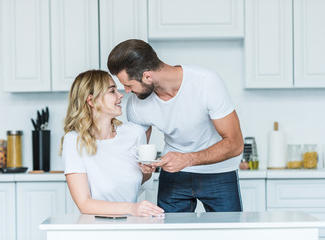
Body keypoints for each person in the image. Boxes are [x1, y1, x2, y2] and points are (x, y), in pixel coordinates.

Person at [107, 39, 244, 213]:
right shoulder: (136, 104)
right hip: (173, 175)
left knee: (229, 234)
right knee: (170, 234)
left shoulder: (206, 82)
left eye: (128, 85)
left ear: (147, 76)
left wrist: (187, 159)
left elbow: (235, 143)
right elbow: (138, 149)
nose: (126, 91)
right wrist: (145, 167)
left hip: (219, 172)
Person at [60, 69, 164, 217]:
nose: (121, 95)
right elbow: (84, 203)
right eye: (112, 91)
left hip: (132, 225)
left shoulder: (134, 133)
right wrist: (131, 209)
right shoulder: (75, 141)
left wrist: (147, 171)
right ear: (91, 100)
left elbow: (139, 179)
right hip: (94, 228)